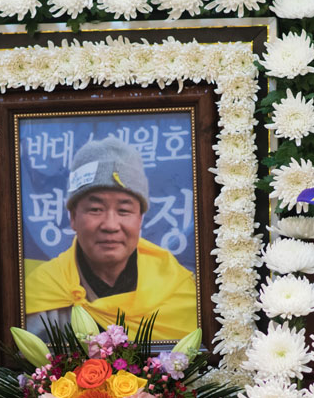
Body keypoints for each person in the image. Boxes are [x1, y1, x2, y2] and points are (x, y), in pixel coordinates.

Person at [24, 135, 198, 340]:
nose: (110, 225)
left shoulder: (175, 289)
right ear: (73, 217)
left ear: (140, 219)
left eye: (124, 210)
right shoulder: (44, 291)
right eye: (96, 209)